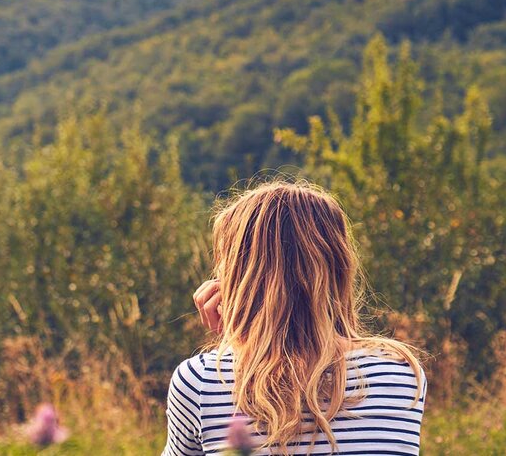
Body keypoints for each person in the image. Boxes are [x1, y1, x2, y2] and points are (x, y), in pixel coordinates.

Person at [162, 181, 426, 455]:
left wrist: (233, 343)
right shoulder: (401, 374)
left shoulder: (201, 381)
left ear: (237, 281)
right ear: (339, 269)